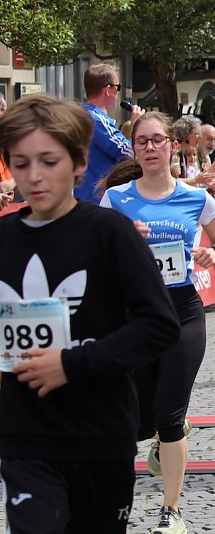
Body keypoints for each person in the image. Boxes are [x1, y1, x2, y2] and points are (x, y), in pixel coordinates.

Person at [0, 94, 181, 533]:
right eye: (21, 164)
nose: (35, 176)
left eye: (49, 161)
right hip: (26, 435)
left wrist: (71, 364)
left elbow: (159, 325)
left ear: (79, 162)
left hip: (100, 433)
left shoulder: (109, 232)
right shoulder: (3, 238)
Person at [100, 111, 215, 534]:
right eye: (143, 142)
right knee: (137, 419)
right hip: (134, 317)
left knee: (170, 416)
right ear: (134, 149)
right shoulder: (116, 199)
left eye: (158, 140)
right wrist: (122, 239)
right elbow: (96, 254)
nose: (151, 148)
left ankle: (171, 511)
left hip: (182, 313)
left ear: (173, 146)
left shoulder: (196, 198)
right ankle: (160, 434)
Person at [75, 63, 143, 203]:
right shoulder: (97, 120)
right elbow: (130, 153)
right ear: (108, 89)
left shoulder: (82, 115)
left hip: (84, 197)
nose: (118, 93)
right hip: (98, 200)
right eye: (118, 87)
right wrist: (137, 127)